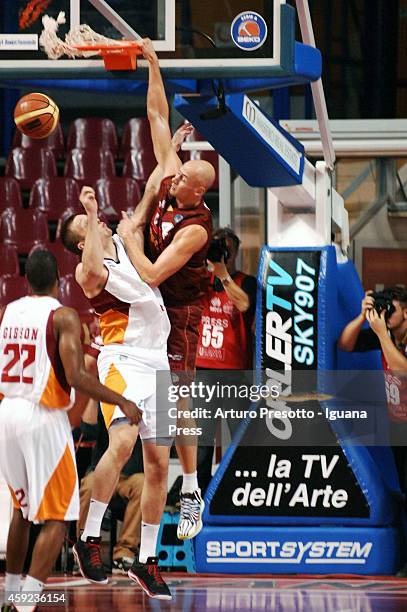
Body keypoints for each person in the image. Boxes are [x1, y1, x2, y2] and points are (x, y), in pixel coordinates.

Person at [0, 249, 140, 612]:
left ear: (25, 279)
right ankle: (26, 603)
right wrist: (122, 401)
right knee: (60, 517)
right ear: (60, 280)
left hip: (8, 412)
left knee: (22, 509)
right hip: (41, 415)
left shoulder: (9, 312)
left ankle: (11, 594)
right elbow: (76, 377)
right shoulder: (61, 315)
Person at [116, 37, 216, 541]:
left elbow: (153, 274)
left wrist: (132, 235)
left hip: (178, 308)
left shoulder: (196, 227)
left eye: (181, 181)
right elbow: (157, 116)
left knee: (179, 396)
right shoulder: (174, 173)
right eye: (175, 177)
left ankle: (193, 487)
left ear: (198, 192)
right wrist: (154, 66)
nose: (171, 180)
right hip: (150, 304)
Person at [61, 186, 173, 600]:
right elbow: (90, 271)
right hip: (122, 361)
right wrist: (89, 214)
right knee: (123, 442)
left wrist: (170, 143)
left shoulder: (126, 243)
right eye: (88, 227)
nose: (100, 223)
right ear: (83, 240)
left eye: (97, 221)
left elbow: (144, 204)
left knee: (159, 466)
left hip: (158, 364)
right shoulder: (89, 272)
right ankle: (88, 537)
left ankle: (146, 561)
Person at [338, 287, 407, 574]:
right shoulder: (386, 336)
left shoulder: (387, 338)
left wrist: (380, 334)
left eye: (390, 310)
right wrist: (361, 316)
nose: (385, 315)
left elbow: (402, 369)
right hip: (398, 426)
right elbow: (345, 343)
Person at [195, 228, 257, 494]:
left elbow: (244, 305)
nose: (223, 253)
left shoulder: (246, 281)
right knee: (202, 440)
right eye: (218, 247)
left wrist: (223, 274)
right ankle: (198, 494)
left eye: (227, 249)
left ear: (235, 253)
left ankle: (240, 490)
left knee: (239, 436)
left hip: (235, 372)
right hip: (203, 371)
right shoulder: (199, 281)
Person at [77, 408, 144, 574]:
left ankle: (124, 553)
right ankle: (84, 550)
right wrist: (93, 390)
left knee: (143, 485)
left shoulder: (142, 397)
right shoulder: (104, 396)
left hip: (130, 475)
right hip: (102, 472)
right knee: (89, 485)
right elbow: (88, 432)